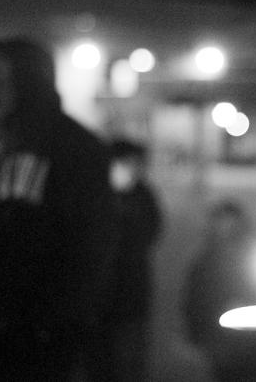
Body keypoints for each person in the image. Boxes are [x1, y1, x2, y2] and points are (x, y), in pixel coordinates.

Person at [0, 37, 119, 381]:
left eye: (0, 79)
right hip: (3, 322)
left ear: (29, 81)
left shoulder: (74, 147)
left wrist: (59, 319)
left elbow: (94, 239)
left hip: (50, 331)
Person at [184, 199, 256, 382]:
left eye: (230, 222)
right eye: (221, 221)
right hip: (219, 341)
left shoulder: (252, 258)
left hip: (252, 342)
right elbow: (193, 301)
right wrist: (197, 337)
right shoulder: (203, 262)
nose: (225, 227)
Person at [107, 138, 162, 381]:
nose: (135, 168)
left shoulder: (143, 194)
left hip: (133, 291)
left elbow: (151, 232)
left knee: (132, 358)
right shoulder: (97, 193)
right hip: (103, 295)